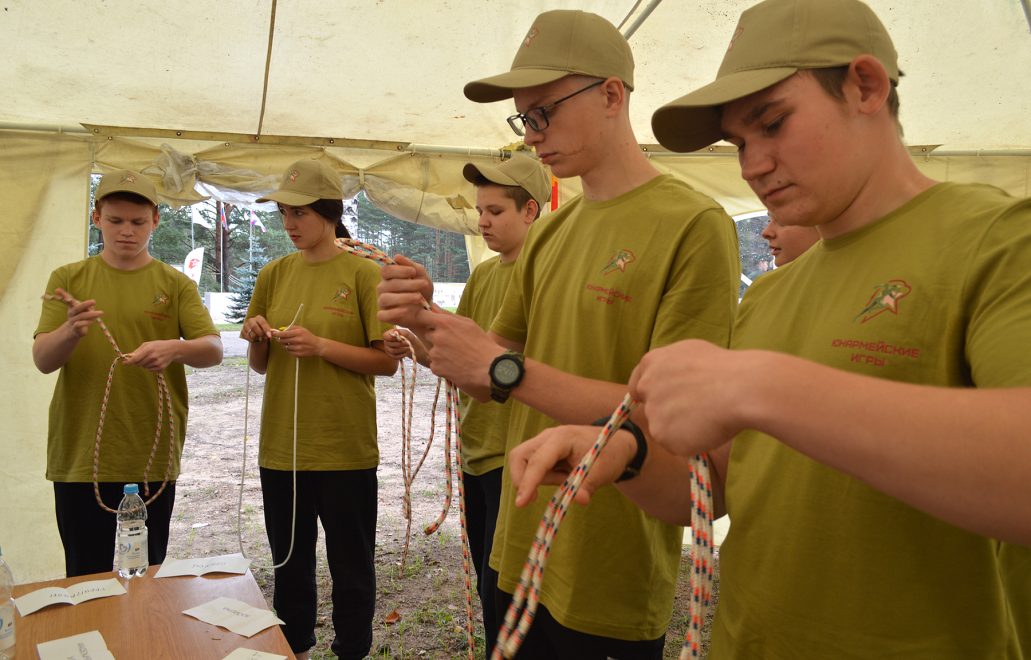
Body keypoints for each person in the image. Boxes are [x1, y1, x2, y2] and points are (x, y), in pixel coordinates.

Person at [510, 0, 1031, 657]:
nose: (752, 164)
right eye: (739, 143)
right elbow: (719, 482)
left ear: (865, 86)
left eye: (772, 123)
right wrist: (625, 455)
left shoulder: (997, 243)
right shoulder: (772, 294)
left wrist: (763, 386)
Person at [378, 10, 740, 658]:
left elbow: (675, 418)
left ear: (611, 94)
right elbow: (489, 376)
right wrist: (426, 320)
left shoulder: (693, 224)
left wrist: (504, 371)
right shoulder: (548, 235)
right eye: (523, 118)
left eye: (543, 111)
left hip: (610, 561)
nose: (531, 134)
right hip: (520, 543)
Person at [383, 154, 549, 654]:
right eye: (480, 211)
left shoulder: (547, 274)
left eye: (495, 211)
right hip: (477, 450)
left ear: (531, 210)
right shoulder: (484, 275)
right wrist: (414, 336)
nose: (482, 222)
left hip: (514, 453)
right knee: (487, 581)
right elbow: (460, 362)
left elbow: (498, 367)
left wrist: (423, 316)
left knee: (509, 588)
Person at [242, 159, 397, 660]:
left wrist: (322, 346)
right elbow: (260, 366)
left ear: (329, 213)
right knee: (288, 564)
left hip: (344, 448)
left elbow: (386, 362)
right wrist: (256, 337)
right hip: (282, 449)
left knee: (352, 565)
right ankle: (297, 650)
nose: (289, 224)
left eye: (300, 213)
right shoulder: (274, 273)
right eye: (284, 213)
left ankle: (353, 650)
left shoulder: (363, 274)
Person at [33, 169, 223, 577]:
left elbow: (213, 349)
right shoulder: (69, 279)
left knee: (148, 576)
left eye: (138, 222)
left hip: (150, 453)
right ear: (96, 218)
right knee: (86, 578)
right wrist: (71, 330)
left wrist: (173, 348)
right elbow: (44, 360)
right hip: (81, 455)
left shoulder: (174, 284)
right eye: (115, 220)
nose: (126, 231)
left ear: (155, 220)